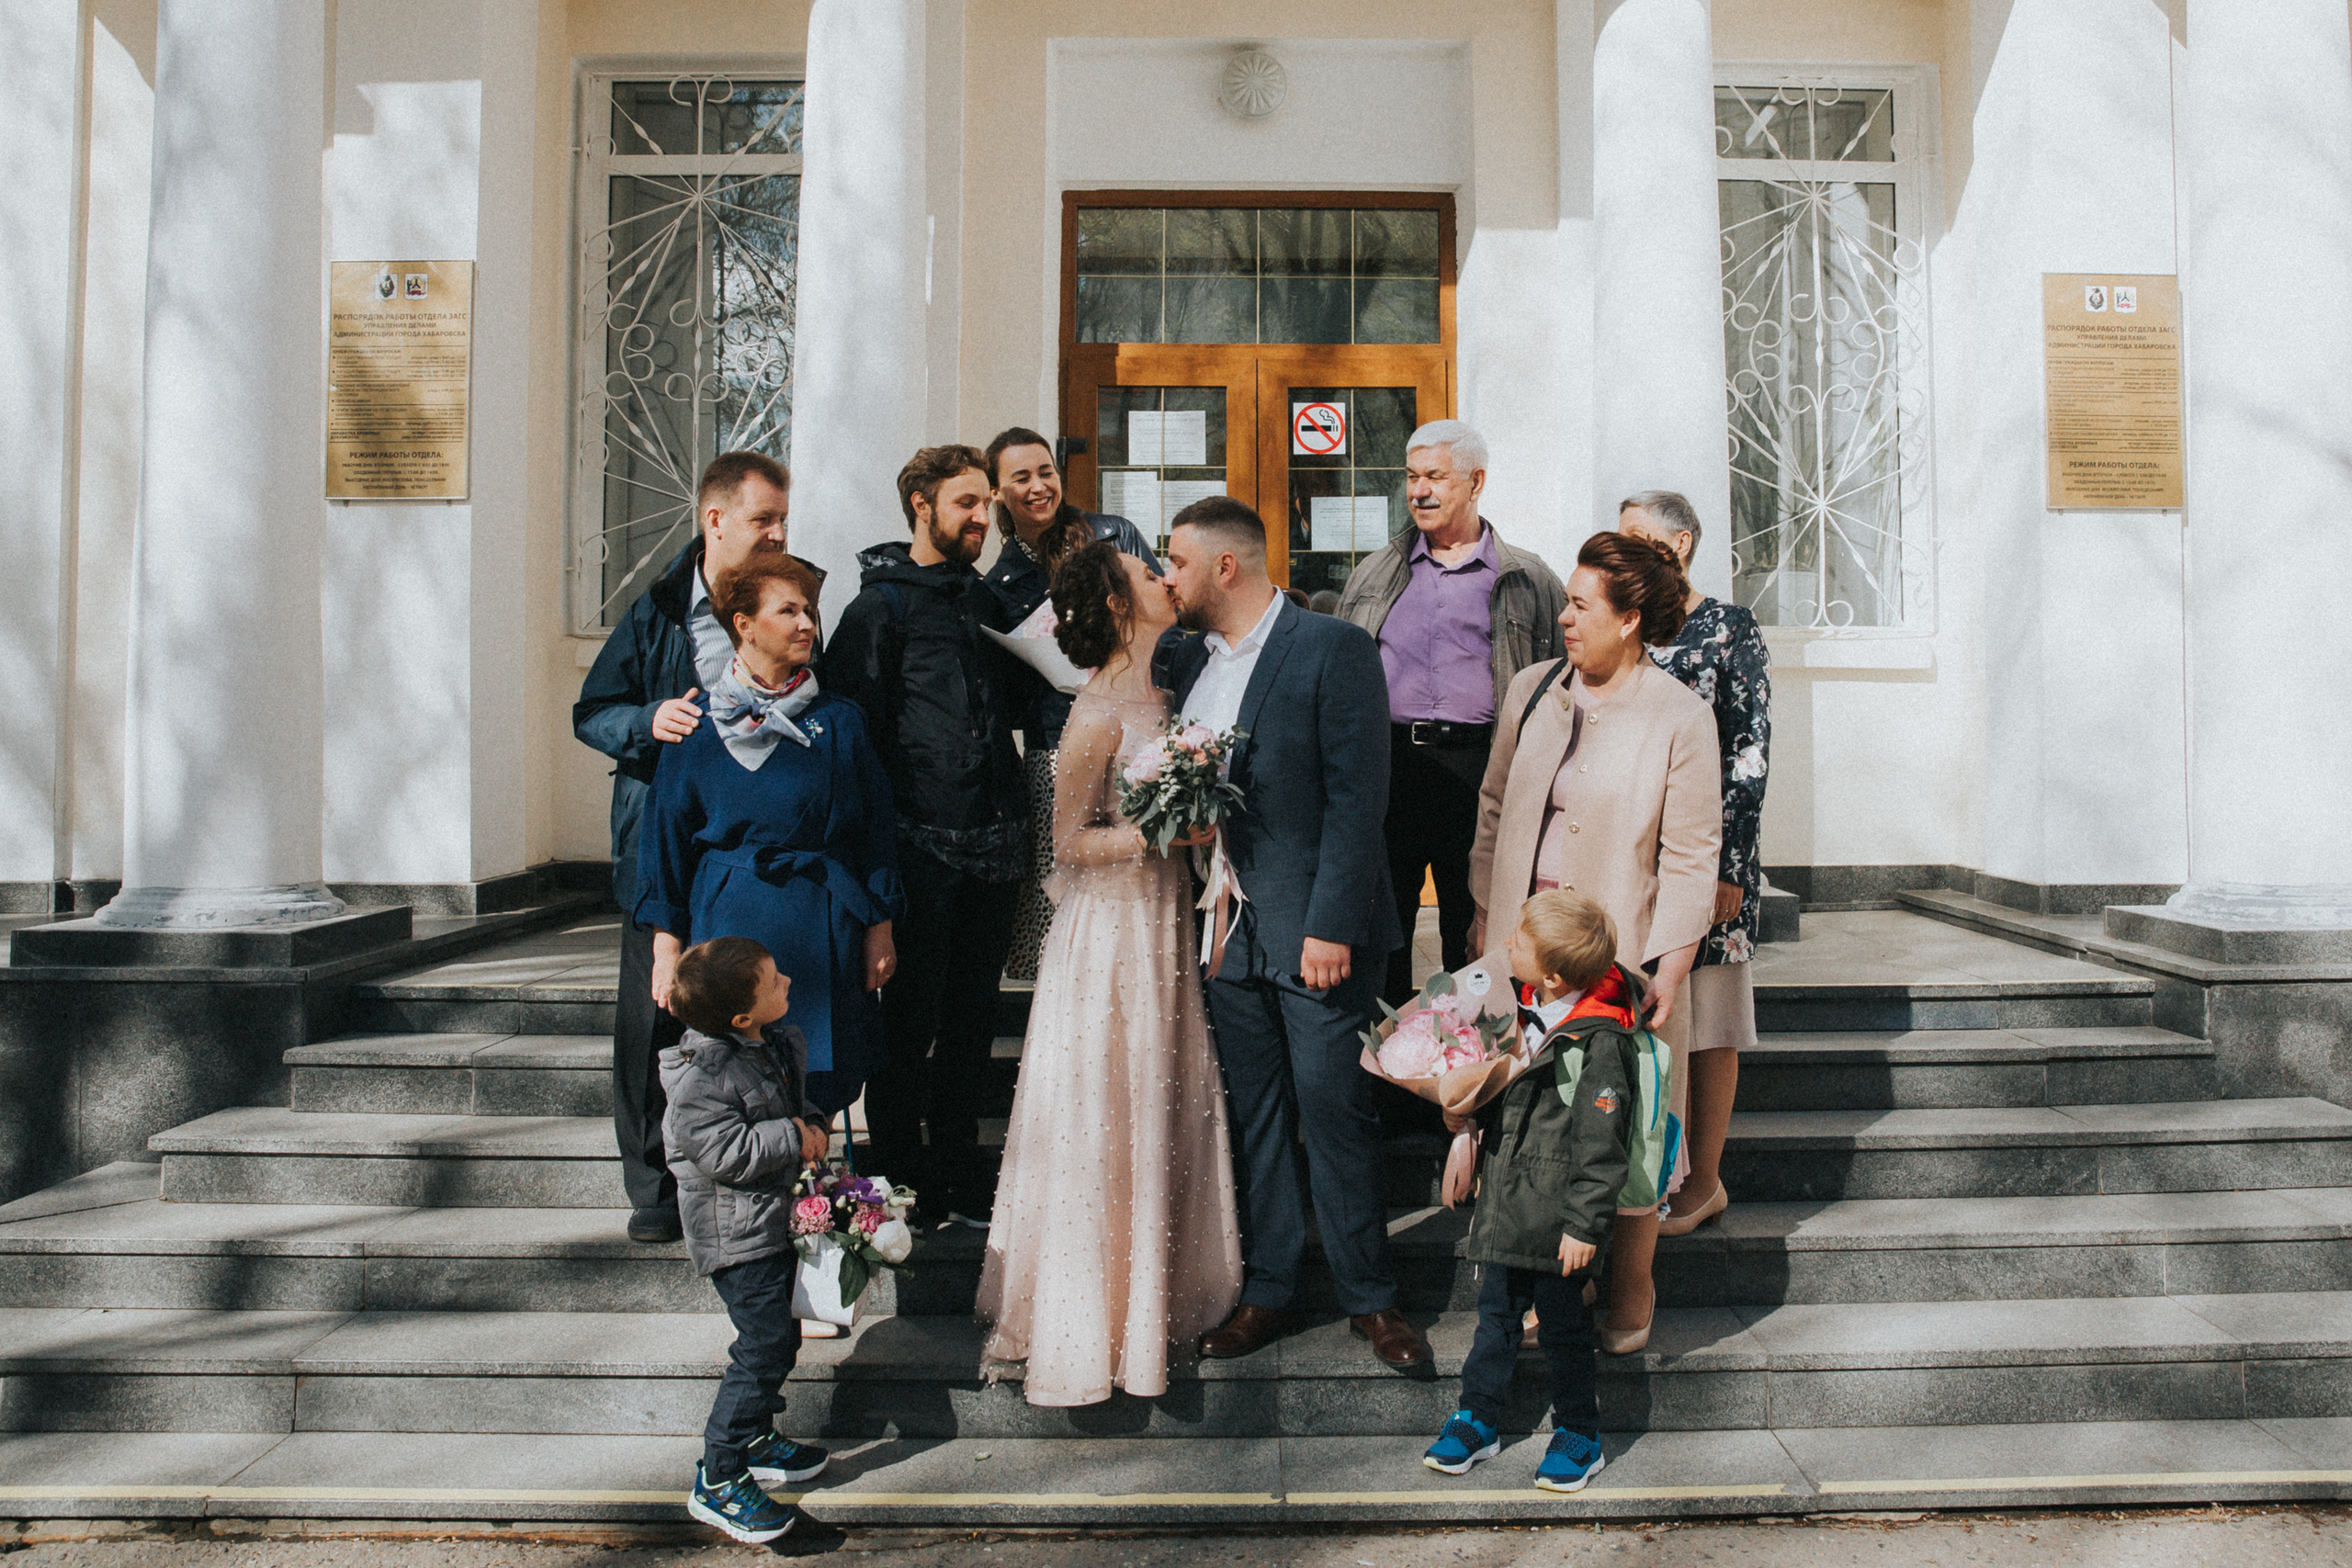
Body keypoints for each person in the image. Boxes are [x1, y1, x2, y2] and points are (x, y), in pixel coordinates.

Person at [1161, 497, 1427, 1370]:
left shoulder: (1333, 647)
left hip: (1319, 932)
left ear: (1225, 566)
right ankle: (1268, 1288)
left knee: (1335, 1110)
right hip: (1227, 929)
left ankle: (1371, 1296)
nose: (1168, 578)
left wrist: (1332, 925)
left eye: (1178, 562)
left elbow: (1360, 798)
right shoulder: (1190, 661)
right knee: (1257, 1115)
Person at [976, 541, 1243, 1406]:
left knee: (1158, 1102)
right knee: (1105, 1113)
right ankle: (1089, 1324)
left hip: (1164, 928)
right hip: (1108, 940)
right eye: (1145, 572)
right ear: (1121, 605)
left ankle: (1152, 1302)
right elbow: (1065, 845)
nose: (1165, 578)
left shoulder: (1169, 696)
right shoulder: (1093, 713)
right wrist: (1158, 832)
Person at [1468, 531, 1720, 1356]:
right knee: (1535, 1117)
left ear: (1630, 618)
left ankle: (1632, 1279)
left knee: (1628, 1121)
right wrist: (1483, 911)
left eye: (1581, 606)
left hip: (1622, 958)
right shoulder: (1534, 689)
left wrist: (1671, 966)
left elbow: (1692, 854)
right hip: (1524, 951)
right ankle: (1553, 1279)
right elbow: (1495, 806)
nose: (1565, 618)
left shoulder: (1680, 715)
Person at [573, 450, 819, 1245]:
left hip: (754, 861)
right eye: (762, 519)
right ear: (715, 520)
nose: (778, 533)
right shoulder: (657, 609)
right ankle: (653, 1186)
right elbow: (592, 711)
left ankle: (764, 1174)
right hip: (663, 854)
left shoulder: (791, 603)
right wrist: (647, 721)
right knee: (655, 1018)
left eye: (783, 520)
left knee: (758, 1018)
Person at [829, 445, 1030, 1229]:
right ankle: (900, 1178)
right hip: (917, 850)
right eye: (966, 503)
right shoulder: (878, 609)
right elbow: (858, 744)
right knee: (909, 1024)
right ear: (922, 505)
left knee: (974, 1021)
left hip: (994, 848)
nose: (983, 517)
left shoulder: (985, 599)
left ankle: (958, 1170)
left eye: (986, 503)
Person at [634, 552, 902, 1133]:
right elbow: (665, 843)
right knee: (733, 1079)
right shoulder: (695, 726)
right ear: (745, 625)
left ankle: (819, 1188)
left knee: (821, 1082)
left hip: (824, 920)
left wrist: (879, 926)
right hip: (727, 923)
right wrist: (665, 951)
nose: (807, 623)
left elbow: (875, 832)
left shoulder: (841, 721)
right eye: (788, 611)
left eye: (809, 611)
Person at [1335, 419, 1566, 1005]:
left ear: (1475, 482)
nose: (1419, 491)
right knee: (1383, 923)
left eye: (1435, 477)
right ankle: (1386, 1050)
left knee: (1476, 923)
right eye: (1412, 477)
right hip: (1391, 769)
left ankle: (1471, 1052)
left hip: (1479, 772)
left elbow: (1563, 685)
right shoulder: (1376, 572)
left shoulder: (1528, 579)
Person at [1422, 890, 1640, 1494]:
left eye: (1519, 941)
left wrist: (1584, 1225)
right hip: (1506, 1205)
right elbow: (1507, 1102)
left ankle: (1579, 1432)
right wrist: (1465, 1119)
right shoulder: (1519, 1012)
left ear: (1552, 975)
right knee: (1494, 1318)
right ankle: (1478, 1417)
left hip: (1556, 1221)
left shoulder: (1600, 1043)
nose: (1506, 944)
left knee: (1564, 1329)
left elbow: (1603, 1146)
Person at [1617, 491, 1771, 1237]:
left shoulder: (1729, 628)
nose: (1626, 547)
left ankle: (1704, 1180)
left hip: (1710, 859)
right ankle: (1650, 1174)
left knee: (1710, 1020)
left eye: (1639, 535)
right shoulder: (1629, 622)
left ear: (1681, 541)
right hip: (1636, 856)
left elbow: (1749, 752)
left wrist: (1730, 869)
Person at [658, 936, 839, 1546]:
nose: (787, 980)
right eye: (774, 980)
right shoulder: (701, 1077)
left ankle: (756, 1437)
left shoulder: (773, 1044)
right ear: (741, 1017)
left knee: (780, 1336)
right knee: (763, 1345)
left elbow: (794, 1105)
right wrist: (791, 1136)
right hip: (735, 1236)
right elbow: (724, 1152)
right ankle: (720, 1472)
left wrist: (812, 1123)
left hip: (769, 1223)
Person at [978, 427, 1159, 982]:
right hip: (1057, 744)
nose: (1039, 487)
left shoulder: (1113, 534)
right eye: (1022, 477)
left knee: (1138, 879)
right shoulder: (998, 584)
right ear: (996, 492)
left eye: (1047, 472)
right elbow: (1008, 695)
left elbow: (1160, 611)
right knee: (1066, 894)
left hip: (1135, 729)